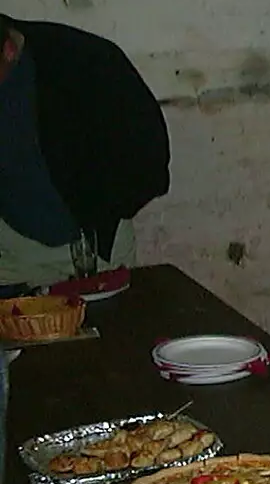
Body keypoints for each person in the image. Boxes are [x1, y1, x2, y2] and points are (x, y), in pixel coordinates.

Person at [0, 15, 169, 296]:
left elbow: (149, 152)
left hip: (94, 250)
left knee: (113, 337)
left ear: (9, 50)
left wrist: (103, 213)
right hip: (12, 252)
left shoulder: (83, 61)